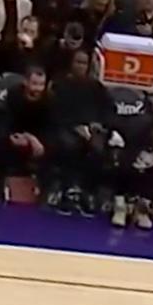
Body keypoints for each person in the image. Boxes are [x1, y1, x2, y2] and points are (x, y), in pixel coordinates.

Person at [46, 48, 114, 216]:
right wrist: (75, 126)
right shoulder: (60, 84)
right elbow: (54, 111)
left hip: (91, 128)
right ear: (71, 63)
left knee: (97, 150)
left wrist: (98, 124)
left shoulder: (96, 87)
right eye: (78, 62)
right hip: (66, 126)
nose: (81, 66)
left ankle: (88, 193)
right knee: (69, 146)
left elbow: (108, 109)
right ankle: (67, 192)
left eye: (84, 63)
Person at [0, 66, 54, 203]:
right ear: (25, 82)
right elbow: (6, 121)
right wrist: (14, 136)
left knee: (54, 148)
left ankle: (45, 197)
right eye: (34, 84)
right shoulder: (14, 94)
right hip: (16, 134)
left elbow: (50, 127)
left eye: (41, 85)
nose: (38, 89)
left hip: (39, 138)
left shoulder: (49, 100)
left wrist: (38, 141)